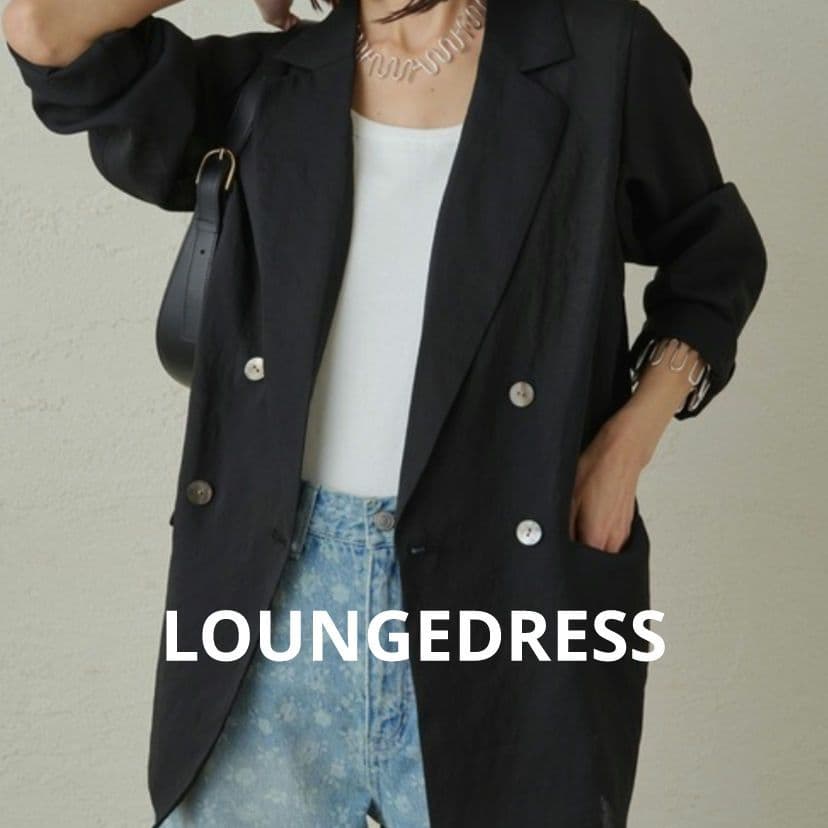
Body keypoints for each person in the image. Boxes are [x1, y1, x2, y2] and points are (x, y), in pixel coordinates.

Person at [2, 0, 767, 825]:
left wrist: (625, 447)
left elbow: (713, 256)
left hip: (510, 588)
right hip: (273, 595)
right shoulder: (273, 77)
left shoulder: (598, 51)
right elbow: (42, 23)